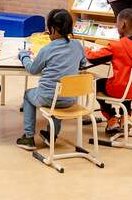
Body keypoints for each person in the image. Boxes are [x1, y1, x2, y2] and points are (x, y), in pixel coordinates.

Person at [15, 8, 85, 150]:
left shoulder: (47, 49)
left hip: (47, 97)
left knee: (28, 95)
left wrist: (24, 56)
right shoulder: (77, 45)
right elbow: (83, 63)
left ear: (52, 29)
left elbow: (33, 69)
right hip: (69, 98)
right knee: (59, 91)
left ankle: (28, 137)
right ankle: (51, 135)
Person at [84, 8, 132, 134]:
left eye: (117, 23)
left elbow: (92, 58)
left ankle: (111, 118)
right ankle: (126, 116)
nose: (115, 26)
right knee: (127, 79)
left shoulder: (117, 46)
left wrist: (86, 49)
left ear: (123, 24)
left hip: (120, 88)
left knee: (95, 84)